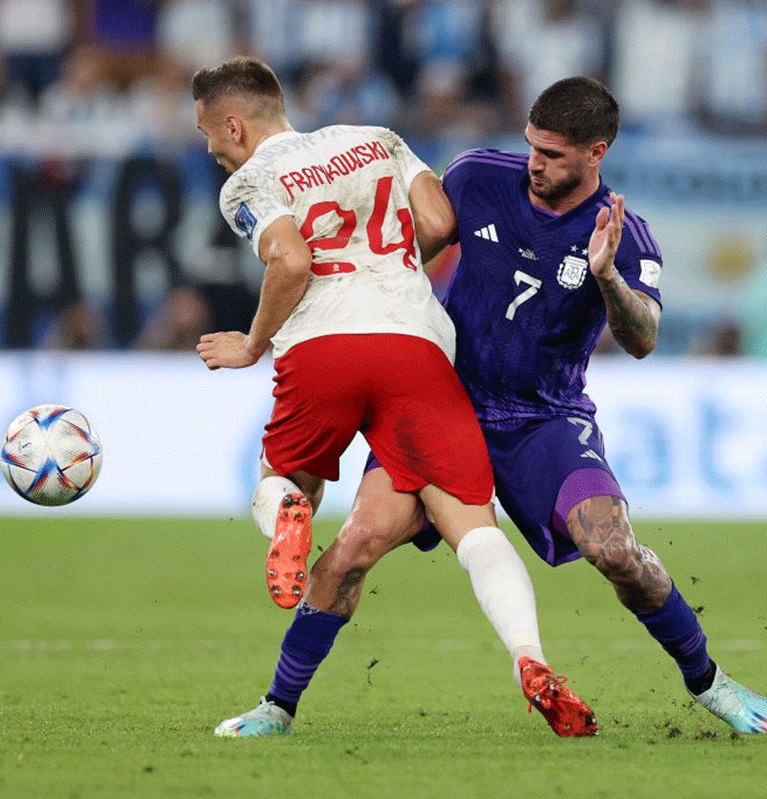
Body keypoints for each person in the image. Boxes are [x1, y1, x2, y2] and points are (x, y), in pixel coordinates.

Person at [216, 74, 767, 738]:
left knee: (615, 551)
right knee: (354, 545)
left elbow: (643, 338)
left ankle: (711, 682)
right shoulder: (479, 178)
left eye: (553, 156)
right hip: (440, 402)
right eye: (531, 147)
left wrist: (606, 278)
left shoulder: (622, 236)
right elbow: (400, 256)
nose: (535, 165)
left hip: (544, 419)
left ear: (596, 152)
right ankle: (277, 706)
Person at [192, 56, 597, 738]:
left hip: (324, 348)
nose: (208, 146)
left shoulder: (246, 183)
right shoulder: (376, 137)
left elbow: (290, 260)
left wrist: (255, 341)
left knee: (283, 484)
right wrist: (388, 265)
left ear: (233, 124)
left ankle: (288, 515)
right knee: (475, 528)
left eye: (207, 131)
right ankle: (531, 661)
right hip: (416, 345)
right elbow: (440, 220)